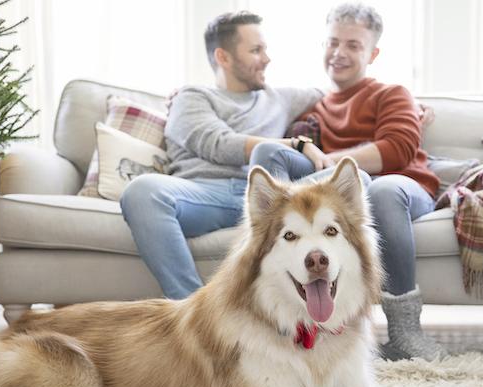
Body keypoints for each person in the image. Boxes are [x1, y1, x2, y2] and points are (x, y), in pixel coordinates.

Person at [249, 2, 447, 361]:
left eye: (353, 45)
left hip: (403, 188)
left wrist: (333, 165)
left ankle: (405, 331)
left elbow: (399, 148)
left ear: (373, 53)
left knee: (381, 189)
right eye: (333, 42)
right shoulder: (314, 109)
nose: (339, 53)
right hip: (344, 196)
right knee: (271, 152)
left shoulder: (392, 93)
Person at [120, 11, 329, 301]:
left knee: (358, 180)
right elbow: (218, 144)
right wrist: (296, 143)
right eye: (256, 50)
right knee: (142, 192)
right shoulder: (192, 96)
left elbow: (336, 92)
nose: (267, 59)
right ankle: (194, 308)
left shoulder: (279, 97)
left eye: (265, 49)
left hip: (267, 196)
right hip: (205, 194)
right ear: (224, 57)